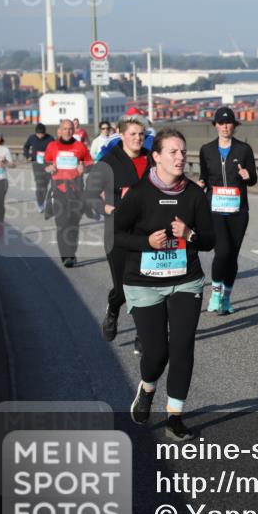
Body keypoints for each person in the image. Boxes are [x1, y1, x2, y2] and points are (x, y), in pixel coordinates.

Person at [118, 129, 214, 441]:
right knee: (157, 351)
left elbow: (211, 240)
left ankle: (175, 416)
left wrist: (190, 235)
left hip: (186, 280)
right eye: (172, 152)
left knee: (183, 346)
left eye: (183, 152)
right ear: (156, 157)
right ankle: (147, 389)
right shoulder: (138, 194)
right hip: (144, 282)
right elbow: (115, 237)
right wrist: (146, 241)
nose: (180, 157)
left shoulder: (194, 195)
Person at [85, 113, 151, 350]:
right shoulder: (108, 162)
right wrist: (107, 207)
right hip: (118, 232)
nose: (137, 138)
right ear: (121, 135)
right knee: (123, 289)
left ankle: (142, 335)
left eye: (141, 134)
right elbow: (90, 196)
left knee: (144, 286)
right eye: (132, 134)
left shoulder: (152, 159)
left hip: (147, 234)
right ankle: (113, 309)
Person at [198, 106, 258, 315]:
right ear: (215, 125)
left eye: (228, 123)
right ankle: (215, 292)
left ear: (234, 125)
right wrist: (200, 183)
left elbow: (253, 179)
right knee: (222, 251)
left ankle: (226, 298)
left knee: (232, 256)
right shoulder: (206, 150)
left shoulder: (244, 150)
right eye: (221, 123)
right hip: (214, 209)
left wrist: (247, 175)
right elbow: (204, 176)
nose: (224, 127)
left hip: (238, 210)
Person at [44, 119, 93, 267]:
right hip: (59, 190)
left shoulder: (80, 146)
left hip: (76, 190)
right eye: (65, 128)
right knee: (62, 223)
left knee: (73, 223)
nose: (67, 131)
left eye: (70, 129)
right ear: (60, 130)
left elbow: (90, 163)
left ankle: (71, 252)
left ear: (74, 130)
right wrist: (48, 168)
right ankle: (66, 256)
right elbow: (45, 163)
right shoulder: (52, 146)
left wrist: (84, 169)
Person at [22, 123, 54, 212]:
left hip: (47, 164)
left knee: (45, 184)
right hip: (36, 164)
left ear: (45, 133)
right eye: (38, 134)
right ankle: (40, 203)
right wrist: (27, 155)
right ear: (36, 133)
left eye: (42, 134)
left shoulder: (50, 138)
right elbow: (26, 147)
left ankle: (43, 200)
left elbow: (55, 150)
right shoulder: (31, 138)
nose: (40, 136)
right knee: (39, 184)